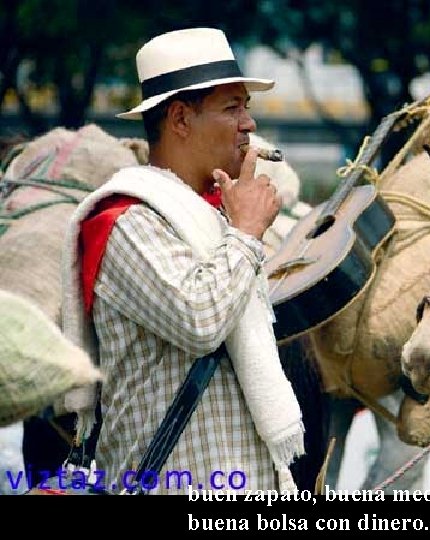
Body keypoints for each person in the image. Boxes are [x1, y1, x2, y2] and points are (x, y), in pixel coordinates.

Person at [59, 27, 305, 494]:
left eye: (246, 108)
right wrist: (248, 234)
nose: (249, 124)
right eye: (232, 107)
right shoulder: (125, 223)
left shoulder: (214, 216)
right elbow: (201, 319)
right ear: (179, 119)